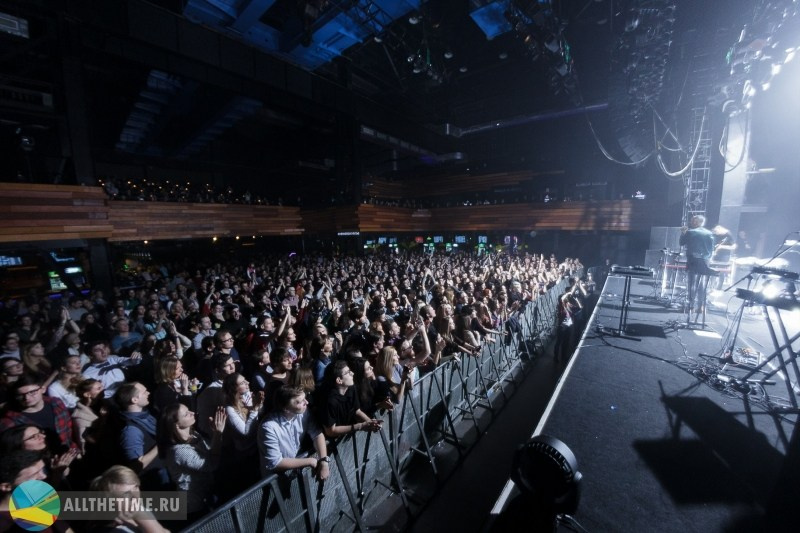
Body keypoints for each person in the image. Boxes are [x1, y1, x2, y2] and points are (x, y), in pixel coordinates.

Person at [158, 404, 226, 520]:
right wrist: (218, 433)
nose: (193, 413)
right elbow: (211, 464)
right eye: (186, 414)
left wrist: (214, 432)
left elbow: (210, 451)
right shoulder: (178, 451)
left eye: (189, 410)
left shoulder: (193, 435)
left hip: (206, 495)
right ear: (176, 425)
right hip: (194, 506)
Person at [257, 386, 330, 480]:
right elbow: (275, 462)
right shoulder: (268, 427)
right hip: (276, 480)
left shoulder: (303, 412)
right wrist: (309, 461)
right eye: (299, 402)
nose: (306, 402)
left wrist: (324, 461)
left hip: (293, 472)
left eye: (304, 398)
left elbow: (317, 434)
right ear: (286, 408)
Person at [318, 361, 382, 438]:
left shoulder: (351, 388)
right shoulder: (329, 401)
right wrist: (360, 426)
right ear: (339, 380)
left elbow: (357, 411)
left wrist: (370, 422)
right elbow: (330, 431)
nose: (352, 373)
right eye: (348, 372)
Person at [680, 215, 715, 316]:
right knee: (702, 284)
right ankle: (701, 306)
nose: (691, 222)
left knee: (692, 283)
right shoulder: (709, 233)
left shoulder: (690, 232)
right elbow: (712, 249)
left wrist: (683, 233)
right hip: (705, 260)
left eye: (693, 221)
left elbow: (681, 243)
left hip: (693, 259)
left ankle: (691, 307)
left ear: (698, 222)